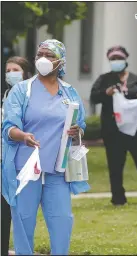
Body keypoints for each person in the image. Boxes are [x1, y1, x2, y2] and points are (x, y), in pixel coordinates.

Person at [1, 39, 90, 255]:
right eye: (40, 54)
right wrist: (23, 135)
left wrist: (77, 131)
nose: (43, 59)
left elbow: (81, 125)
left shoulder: (69, 92)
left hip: (57, 171)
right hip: (26, 169)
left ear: (61, 61)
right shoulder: (23, 90)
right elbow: (8, 128)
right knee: (23, 222)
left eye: (49, 55)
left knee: (62, 221)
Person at [90, 46, 137, 205]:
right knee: (115, 165)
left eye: (119, 58)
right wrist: (107, 93)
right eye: (112, 59)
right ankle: (118, 197)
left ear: (126, 59)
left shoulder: (136, 78)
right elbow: (94, 97)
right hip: (114, 131)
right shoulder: (104, 79)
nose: (116, 61)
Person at [1, 56, 32, 256]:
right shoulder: (5, 94)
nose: (11, 73)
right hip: (4, 159)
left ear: (25, 73)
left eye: (15, 69)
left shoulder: (31, 95)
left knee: (22, 212)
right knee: (3, 209)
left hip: (22, 159)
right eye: (8, 70)